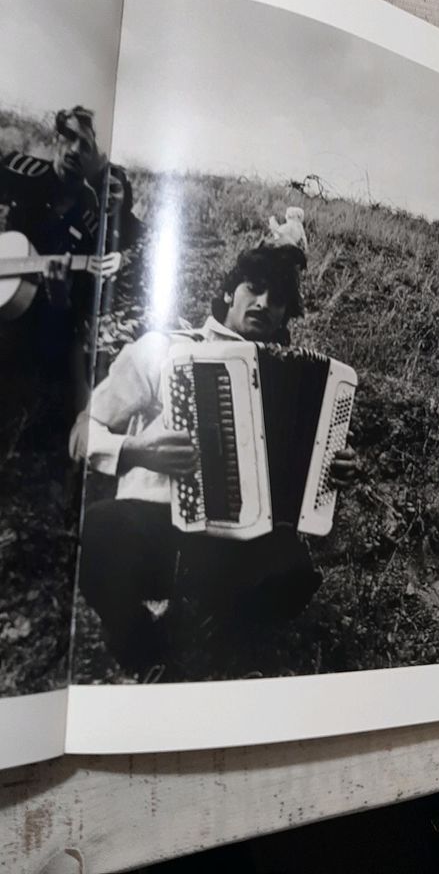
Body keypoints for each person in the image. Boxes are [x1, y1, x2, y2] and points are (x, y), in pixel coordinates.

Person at [71, 243, 358, 679]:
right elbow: (81, 430)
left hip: (237, 548)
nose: (263, 302)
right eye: (254, 288)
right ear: (228, 293)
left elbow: (314, 460)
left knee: (293, 573)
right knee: (97, 532)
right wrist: (135, 452)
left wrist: (337, 469)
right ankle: (148, 649)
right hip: (155, 529)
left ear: (285, 315)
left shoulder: (295, 377)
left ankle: (214, 634)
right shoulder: (163, 349)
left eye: (277, 298)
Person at [0, 106, 121, 453]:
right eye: (68, 138)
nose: (72, 150)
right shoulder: (16, 171)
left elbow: (74, 316)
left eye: (85, 146)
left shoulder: (90, 218)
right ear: (56, 138)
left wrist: (58, 296)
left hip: (36, 328)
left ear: (96, 158)